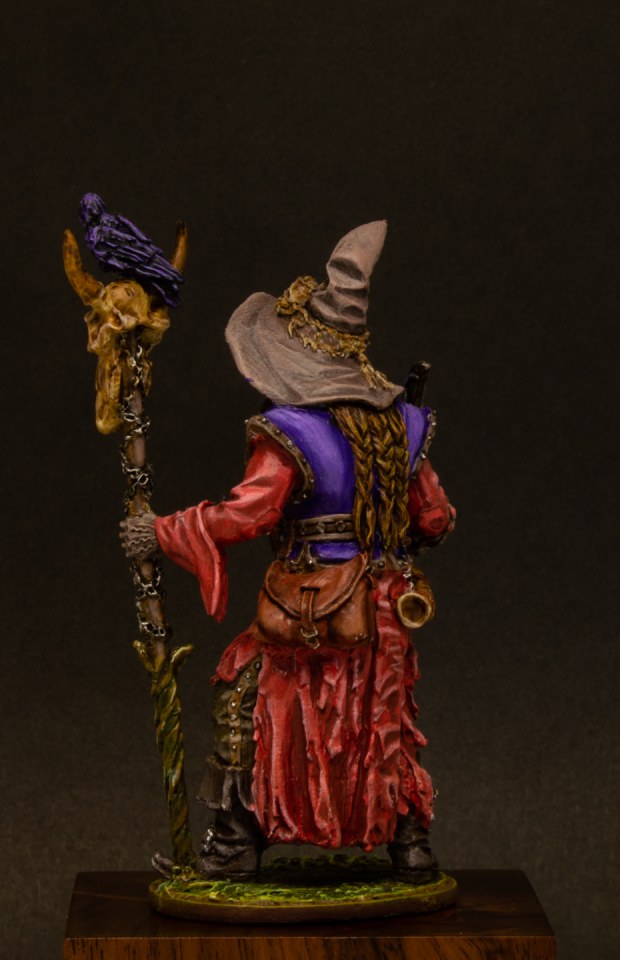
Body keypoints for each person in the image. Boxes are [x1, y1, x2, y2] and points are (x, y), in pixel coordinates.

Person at [121, 221, 455, 882]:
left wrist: (163, 530)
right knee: (381, 721)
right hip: (383, 608)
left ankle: (233, 846)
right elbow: (436, 518)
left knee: (242, 697)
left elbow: (249, 514)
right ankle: (410, 845)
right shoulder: (404, 425)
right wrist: (390, 526)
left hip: (310, 605)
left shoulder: (289, 431)